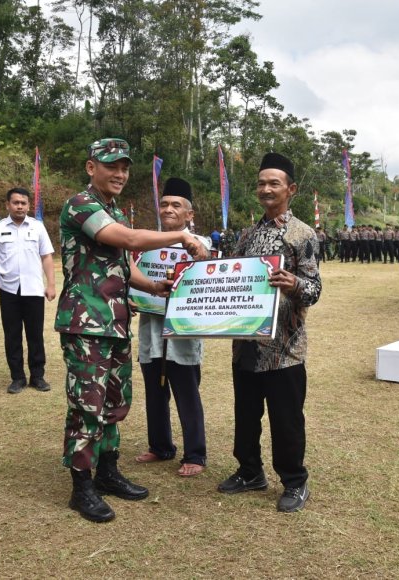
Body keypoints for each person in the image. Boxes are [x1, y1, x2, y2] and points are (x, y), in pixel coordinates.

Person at [54, 138, 209, 523]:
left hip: (116, 322)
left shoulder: (113, 209)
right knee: (86, 406)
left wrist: (155, 287)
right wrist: (182, 236)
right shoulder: (81, 205)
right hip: (86, 324)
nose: (120, 174)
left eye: (125, 167)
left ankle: (108, 471)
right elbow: (128, 240)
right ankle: (82, 486)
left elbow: (124, 265)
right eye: (112, 166)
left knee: (112, 403)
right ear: (92, 168)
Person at [217, 152, 322, 513]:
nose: (265, 189)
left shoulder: (302, 234)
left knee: (286, 419)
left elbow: (315, 289)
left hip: (283, 350)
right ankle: (249, 472)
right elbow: (231, 278)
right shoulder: (247, 234)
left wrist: (294, 283)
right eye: (261, 183)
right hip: (245, 344)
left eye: (273, 183)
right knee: (245, 416)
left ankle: (294, 481)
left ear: (290, 189)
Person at [134, 177, 211, 477]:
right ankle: (161, 446)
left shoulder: (199, 243)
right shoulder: (147, 242)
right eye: (164, 204)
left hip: (183, 335)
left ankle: (195, 453)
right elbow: (134, 275)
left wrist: (195, 251)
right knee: (154, 391)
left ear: (189, 214)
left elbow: (204, 263)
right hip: (151, 329)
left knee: (186, 392)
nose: (168, 209)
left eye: (176, 205)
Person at [0, 187, 56, 394]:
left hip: (33, 289)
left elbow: (47, 257)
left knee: (35, 335)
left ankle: (38, 376)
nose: (20, 206)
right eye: (15, 202)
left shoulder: (37, 227)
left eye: (23, 203)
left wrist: (51, 284)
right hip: (8, 290)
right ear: (8, 205)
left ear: (28, 205)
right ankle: (17, 378)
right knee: (12, 335)